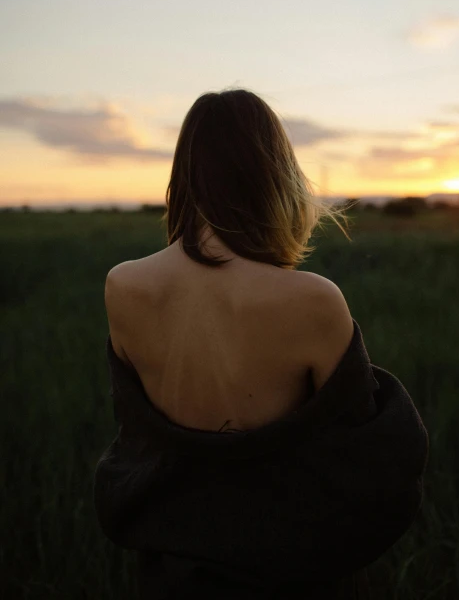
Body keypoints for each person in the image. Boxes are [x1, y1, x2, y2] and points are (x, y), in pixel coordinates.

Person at [93, 87, 429, 599]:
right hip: (293, 575)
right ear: (275, 173)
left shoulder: (123, 286)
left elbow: (137, 439)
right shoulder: (312, 300)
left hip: (172, 575)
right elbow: (371, 463)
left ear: (184, 171)